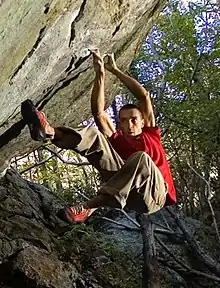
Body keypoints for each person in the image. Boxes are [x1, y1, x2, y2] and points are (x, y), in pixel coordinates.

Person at [21, 49, 176, 224]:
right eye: (124, 121)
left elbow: (144, 96)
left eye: (134, 120)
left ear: (142, 122)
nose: (129, 125)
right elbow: (99, 113)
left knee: (142, 158)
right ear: (119, 124)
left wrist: (114, 70)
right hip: (127, 194)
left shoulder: (151, 134)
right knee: (94, 134)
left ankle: (89, 207)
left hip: (153, 196)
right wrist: (100, 74)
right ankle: (47, 131)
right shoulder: (118, 140)